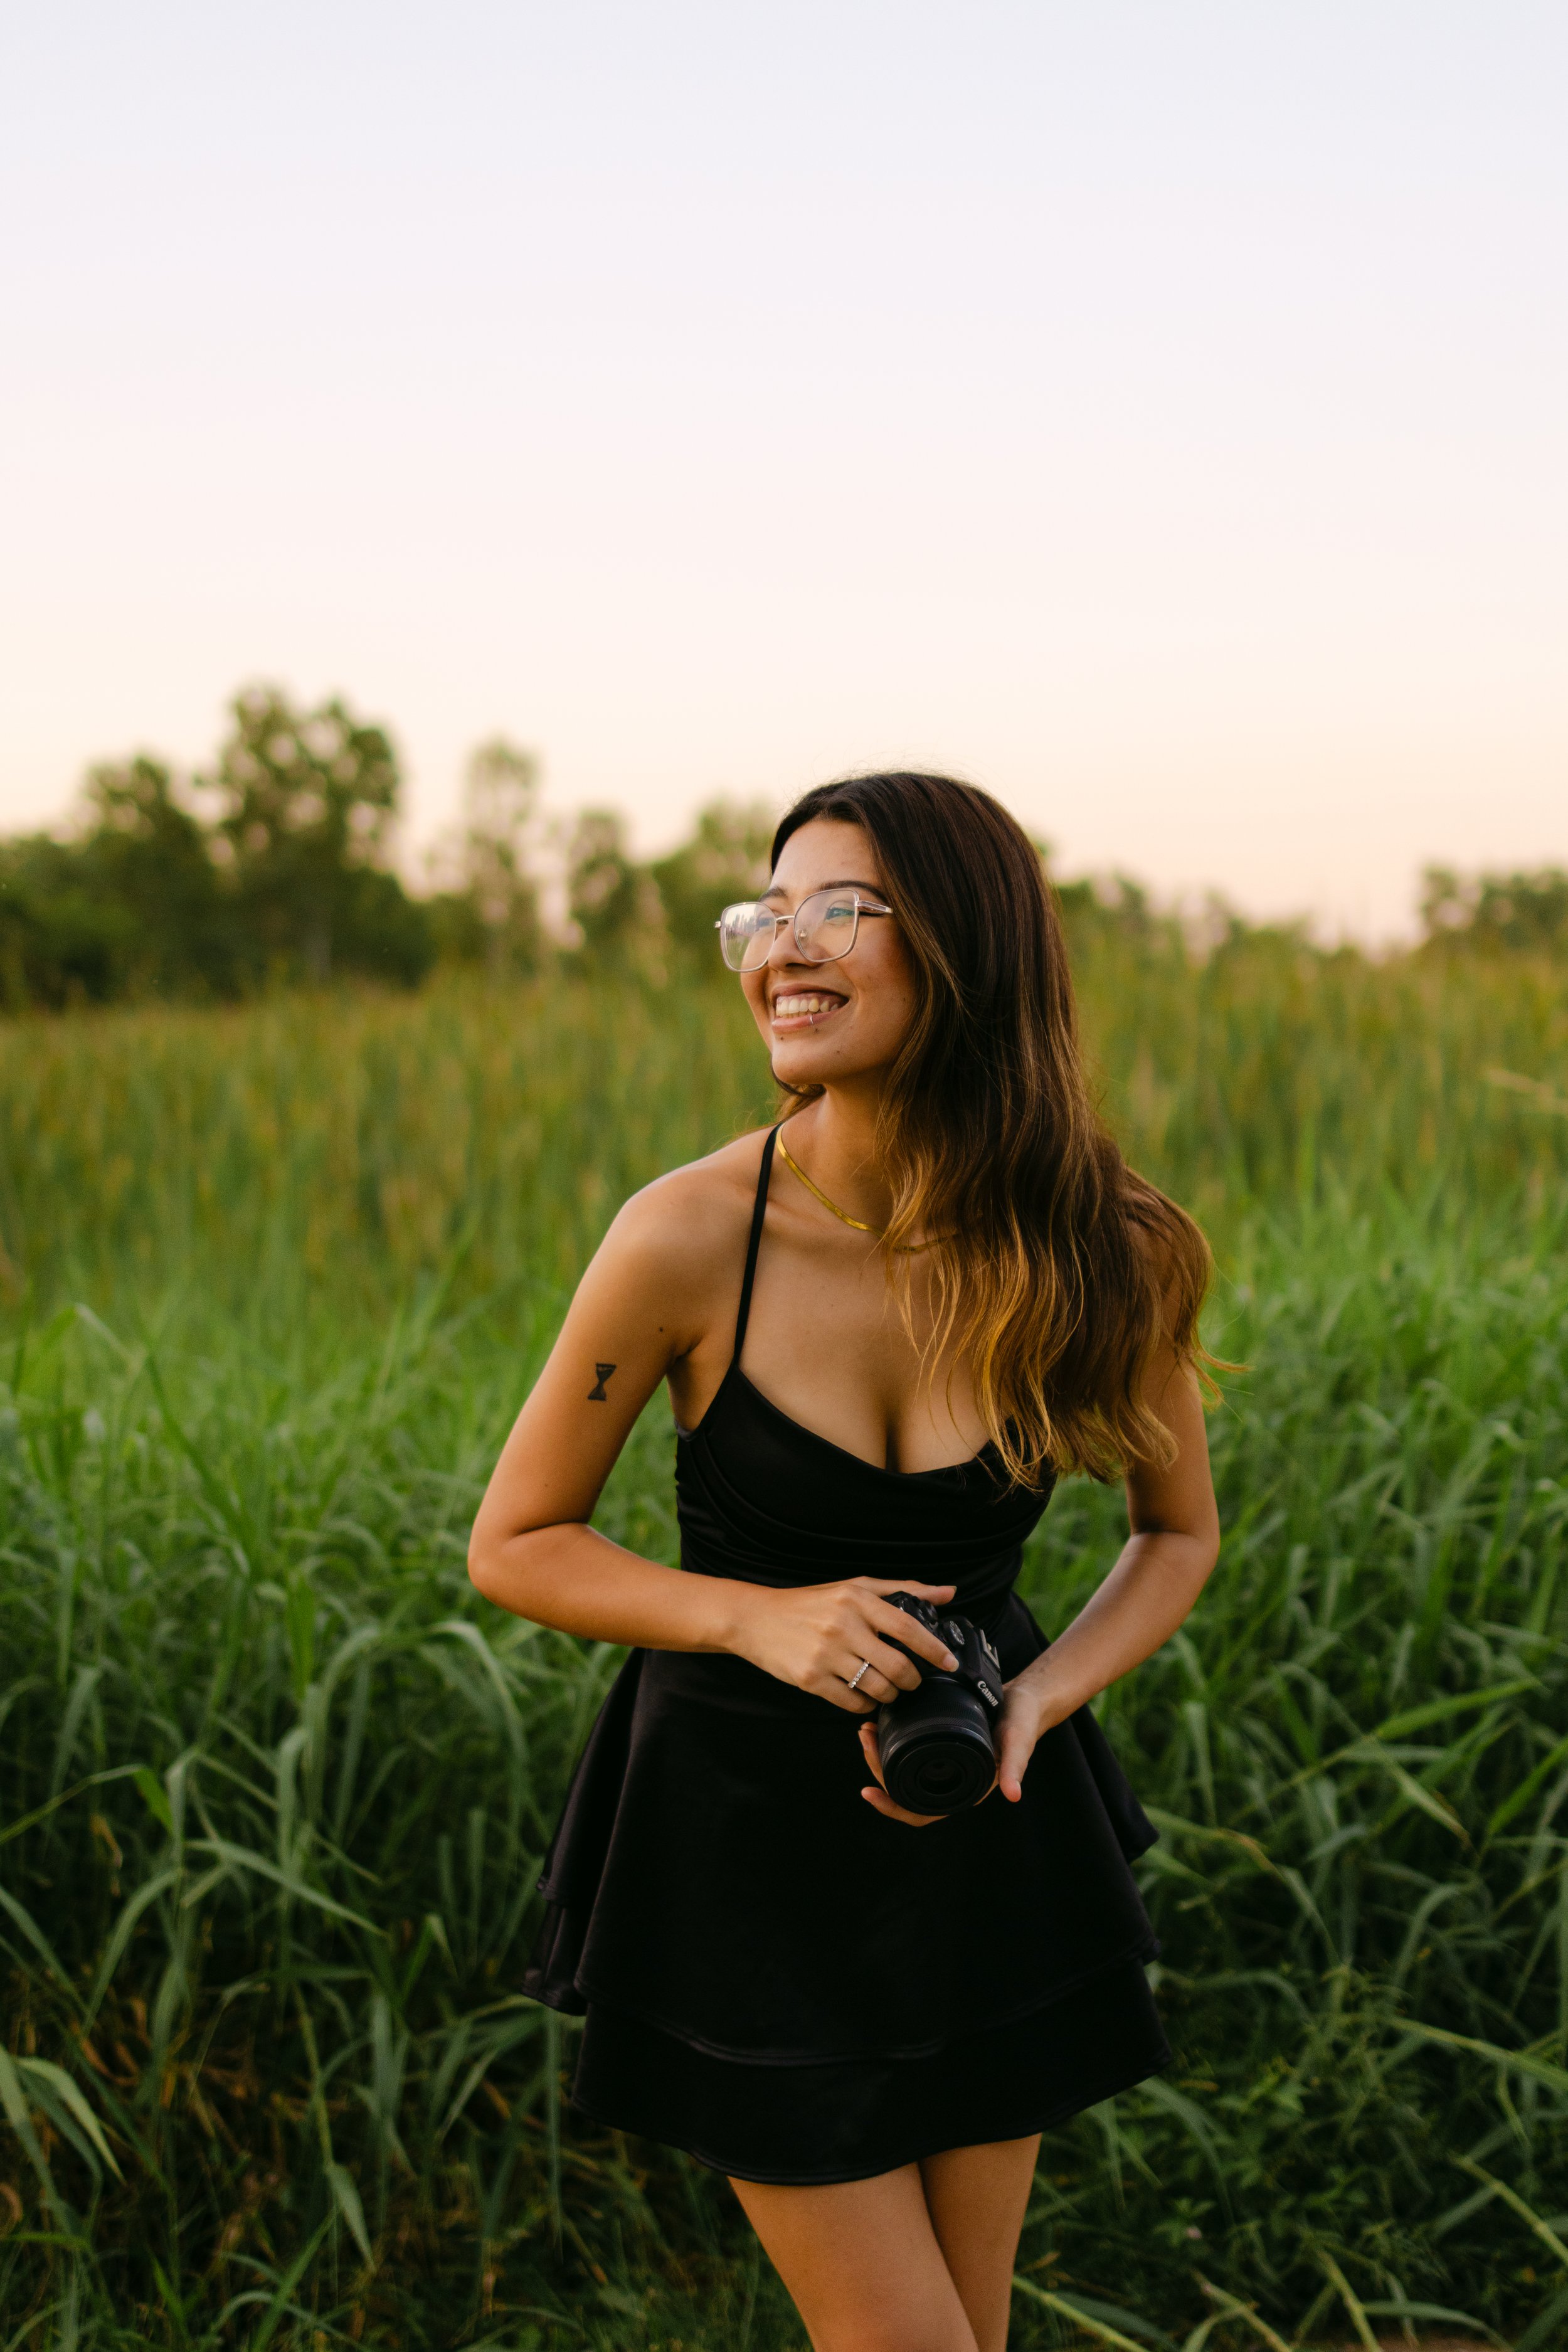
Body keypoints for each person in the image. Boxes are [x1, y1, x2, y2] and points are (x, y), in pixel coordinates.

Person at [469, 771, 1221, 2352]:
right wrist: (756, 1619)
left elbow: (1173, 1535)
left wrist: (1041, 1699)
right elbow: (516, 1542)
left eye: (837, 909)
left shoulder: (1105, 1242)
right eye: (763, 914)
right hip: (740, 1857)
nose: (776, 951)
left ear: (967, 944)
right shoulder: (683, 1237)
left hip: (983, 1830)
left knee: (973, 2330)